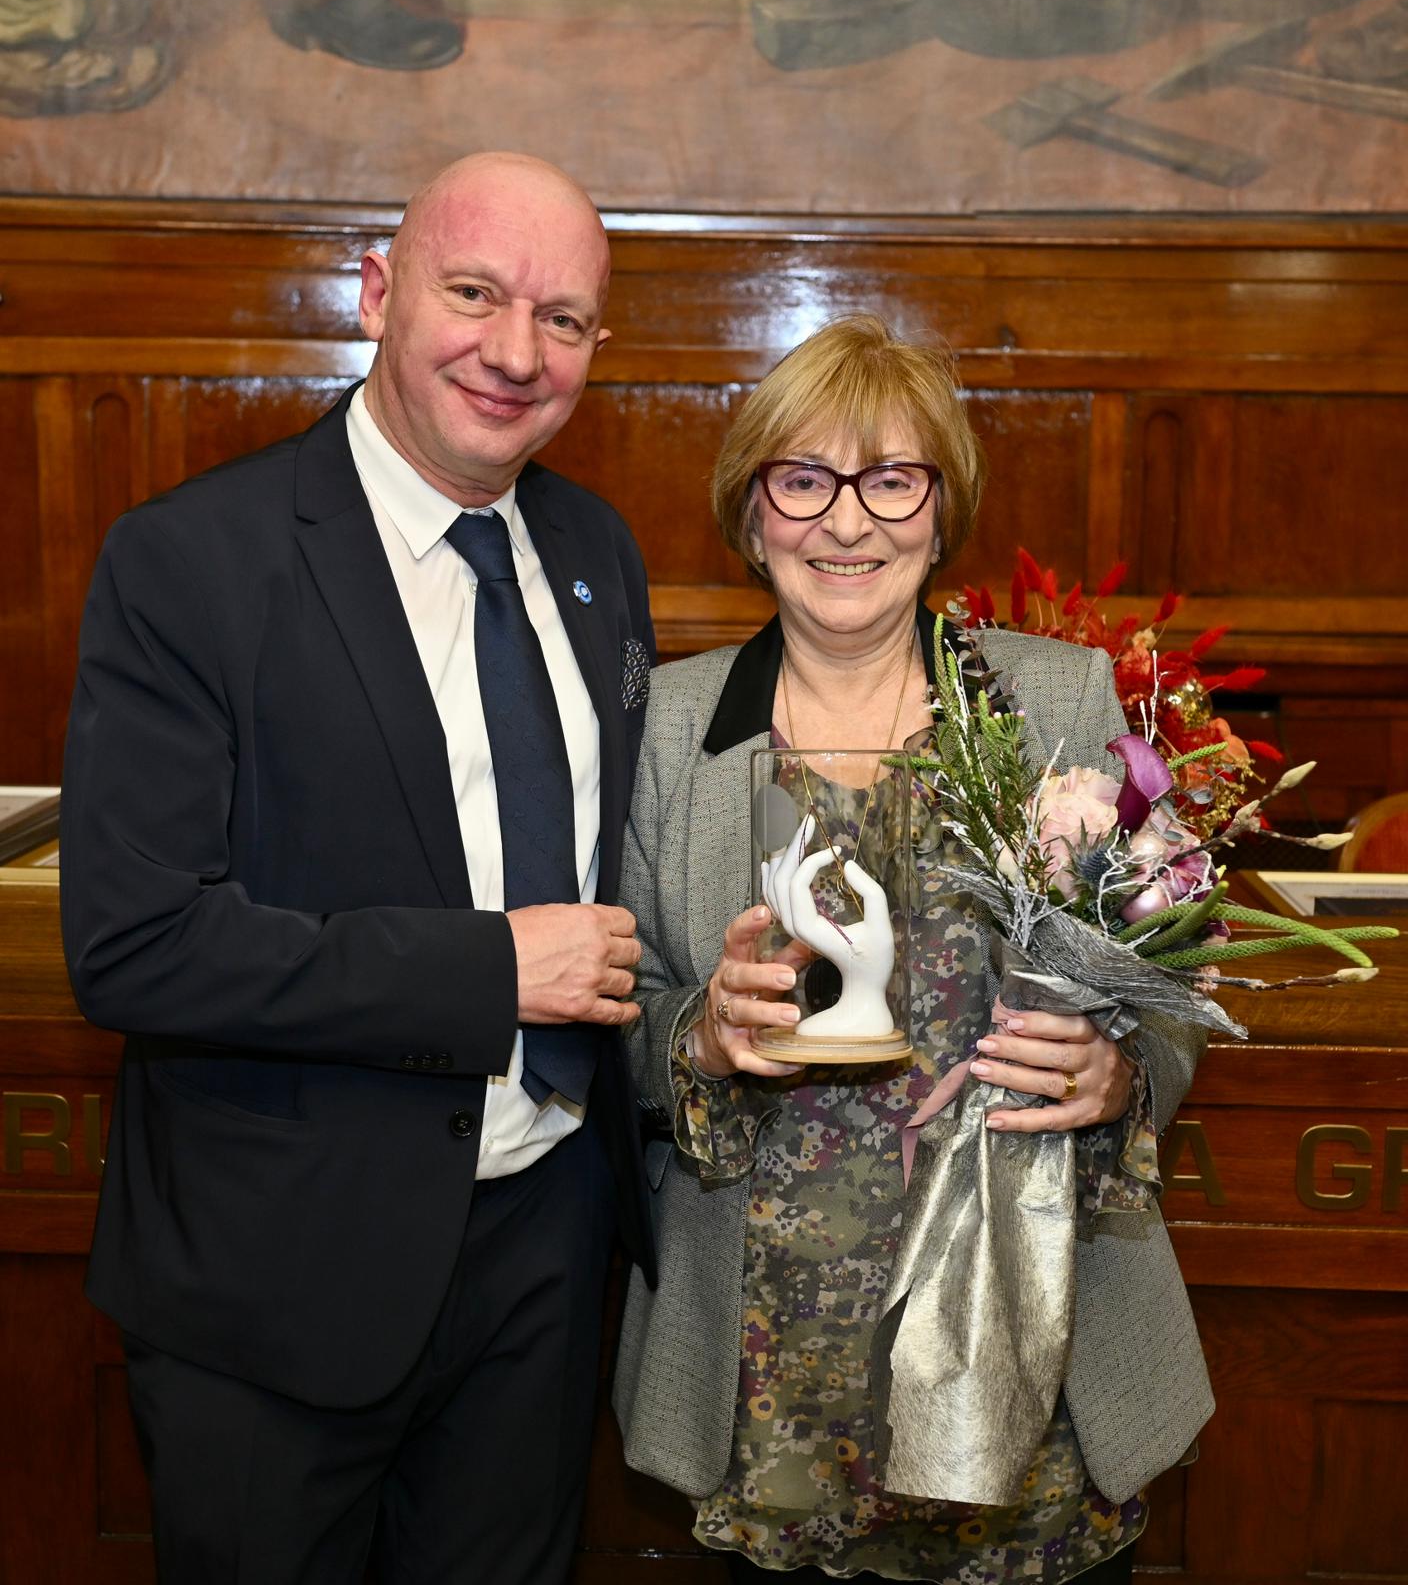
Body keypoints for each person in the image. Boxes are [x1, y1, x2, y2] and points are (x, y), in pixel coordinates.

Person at [61, 151, 654, 1585]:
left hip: (544, 1258)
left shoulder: (594, 551)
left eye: (563, 319)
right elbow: (136, 944)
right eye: (475, 294)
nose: (516, 353)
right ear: (379, 293)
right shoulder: (191, 560)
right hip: (279, 1281)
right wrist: (490, 971)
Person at [611, 314, 1213, 1583]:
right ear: (753, 513)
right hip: (767, 1363)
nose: (847, 522)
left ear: (940, 516)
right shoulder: (665, 726)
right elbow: (612, 1008)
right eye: (803, 479)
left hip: (1022, 1339)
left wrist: (1118, 1073)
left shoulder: (1056, 698)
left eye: (890, 479)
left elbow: (1162, 986)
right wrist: (696, 1036)